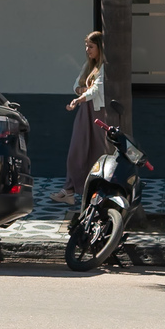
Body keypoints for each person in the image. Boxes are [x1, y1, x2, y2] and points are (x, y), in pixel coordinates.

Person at [50, 31, 108, 206]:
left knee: (97, 151)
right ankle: (69, 189)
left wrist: (79, 97)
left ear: (100, 47)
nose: (87, 50)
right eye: (86, 46)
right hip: (85, 111)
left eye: (91, 46)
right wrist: (80, 92)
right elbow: (77, 84)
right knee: (77, 149)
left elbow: (96, 90)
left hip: (97, 112)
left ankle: (95, 191)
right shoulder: (88, 65)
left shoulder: (104, 67)